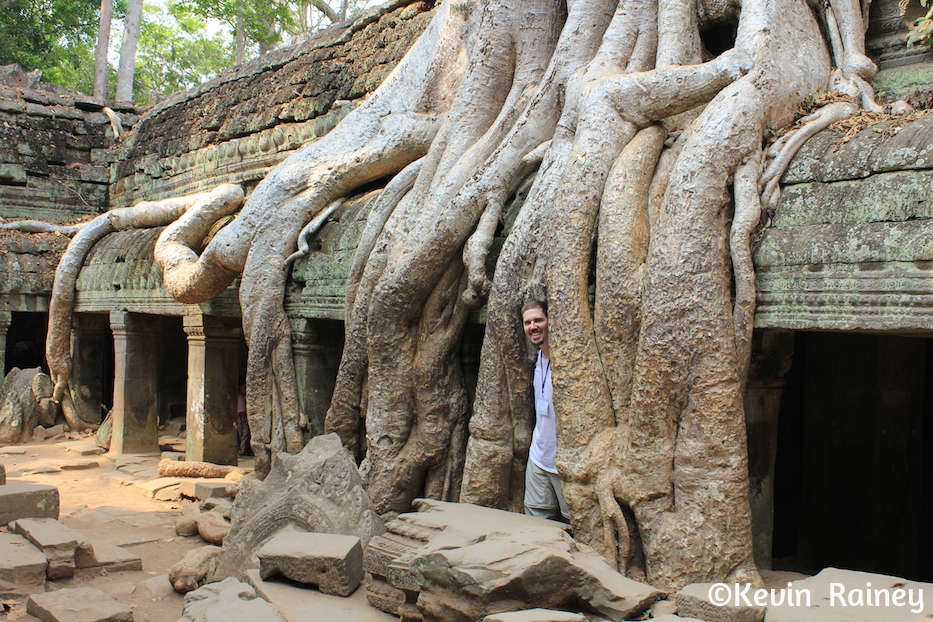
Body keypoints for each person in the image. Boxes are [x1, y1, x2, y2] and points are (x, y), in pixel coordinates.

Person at [521, 300, 569, 522]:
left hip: (566, 460)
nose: (533, 326)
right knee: (535, 519)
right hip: (539, 455)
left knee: (577, 520)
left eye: (538, 320)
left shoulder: (569, 360)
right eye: (528, 322)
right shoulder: (539, 357)